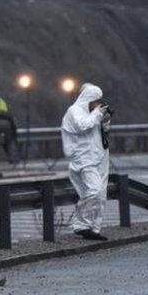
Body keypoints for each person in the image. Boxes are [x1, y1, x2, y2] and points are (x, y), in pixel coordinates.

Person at [61, 83, 112, 241]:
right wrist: (98, 114)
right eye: (96, 101)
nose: (98, 104)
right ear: (88, 99)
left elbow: (98, 133)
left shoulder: (92, 114)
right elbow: (83, 125)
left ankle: (93, 228)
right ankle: (81, 225)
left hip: (99, 157)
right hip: (84, 160)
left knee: (101, 196)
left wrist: (105, 121)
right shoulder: (74, 111)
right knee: (94, 191)